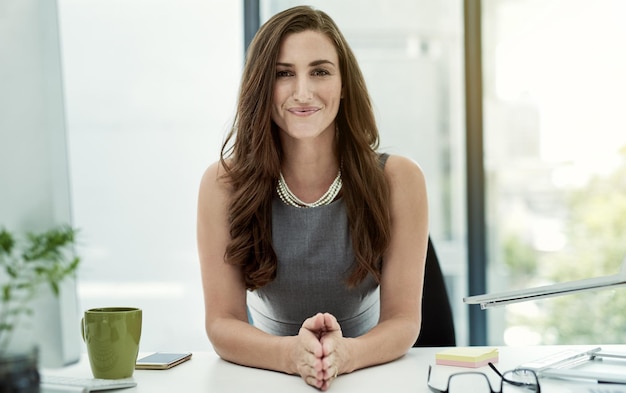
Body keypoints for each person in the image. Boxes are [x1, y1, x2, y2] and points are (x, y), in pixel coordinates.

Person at [197, 5, 428, 391]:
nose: (302, 92)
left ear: (343, 84)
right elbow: (222, 323)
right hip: (265, 377)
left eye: (320, 71)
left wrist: (347, 355)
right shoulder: (223, 184)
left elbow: (404, 321)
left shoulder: (399, 179)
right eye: (283, 74)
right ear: (261, 86)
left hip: (372, 376)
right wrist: (291, 356)